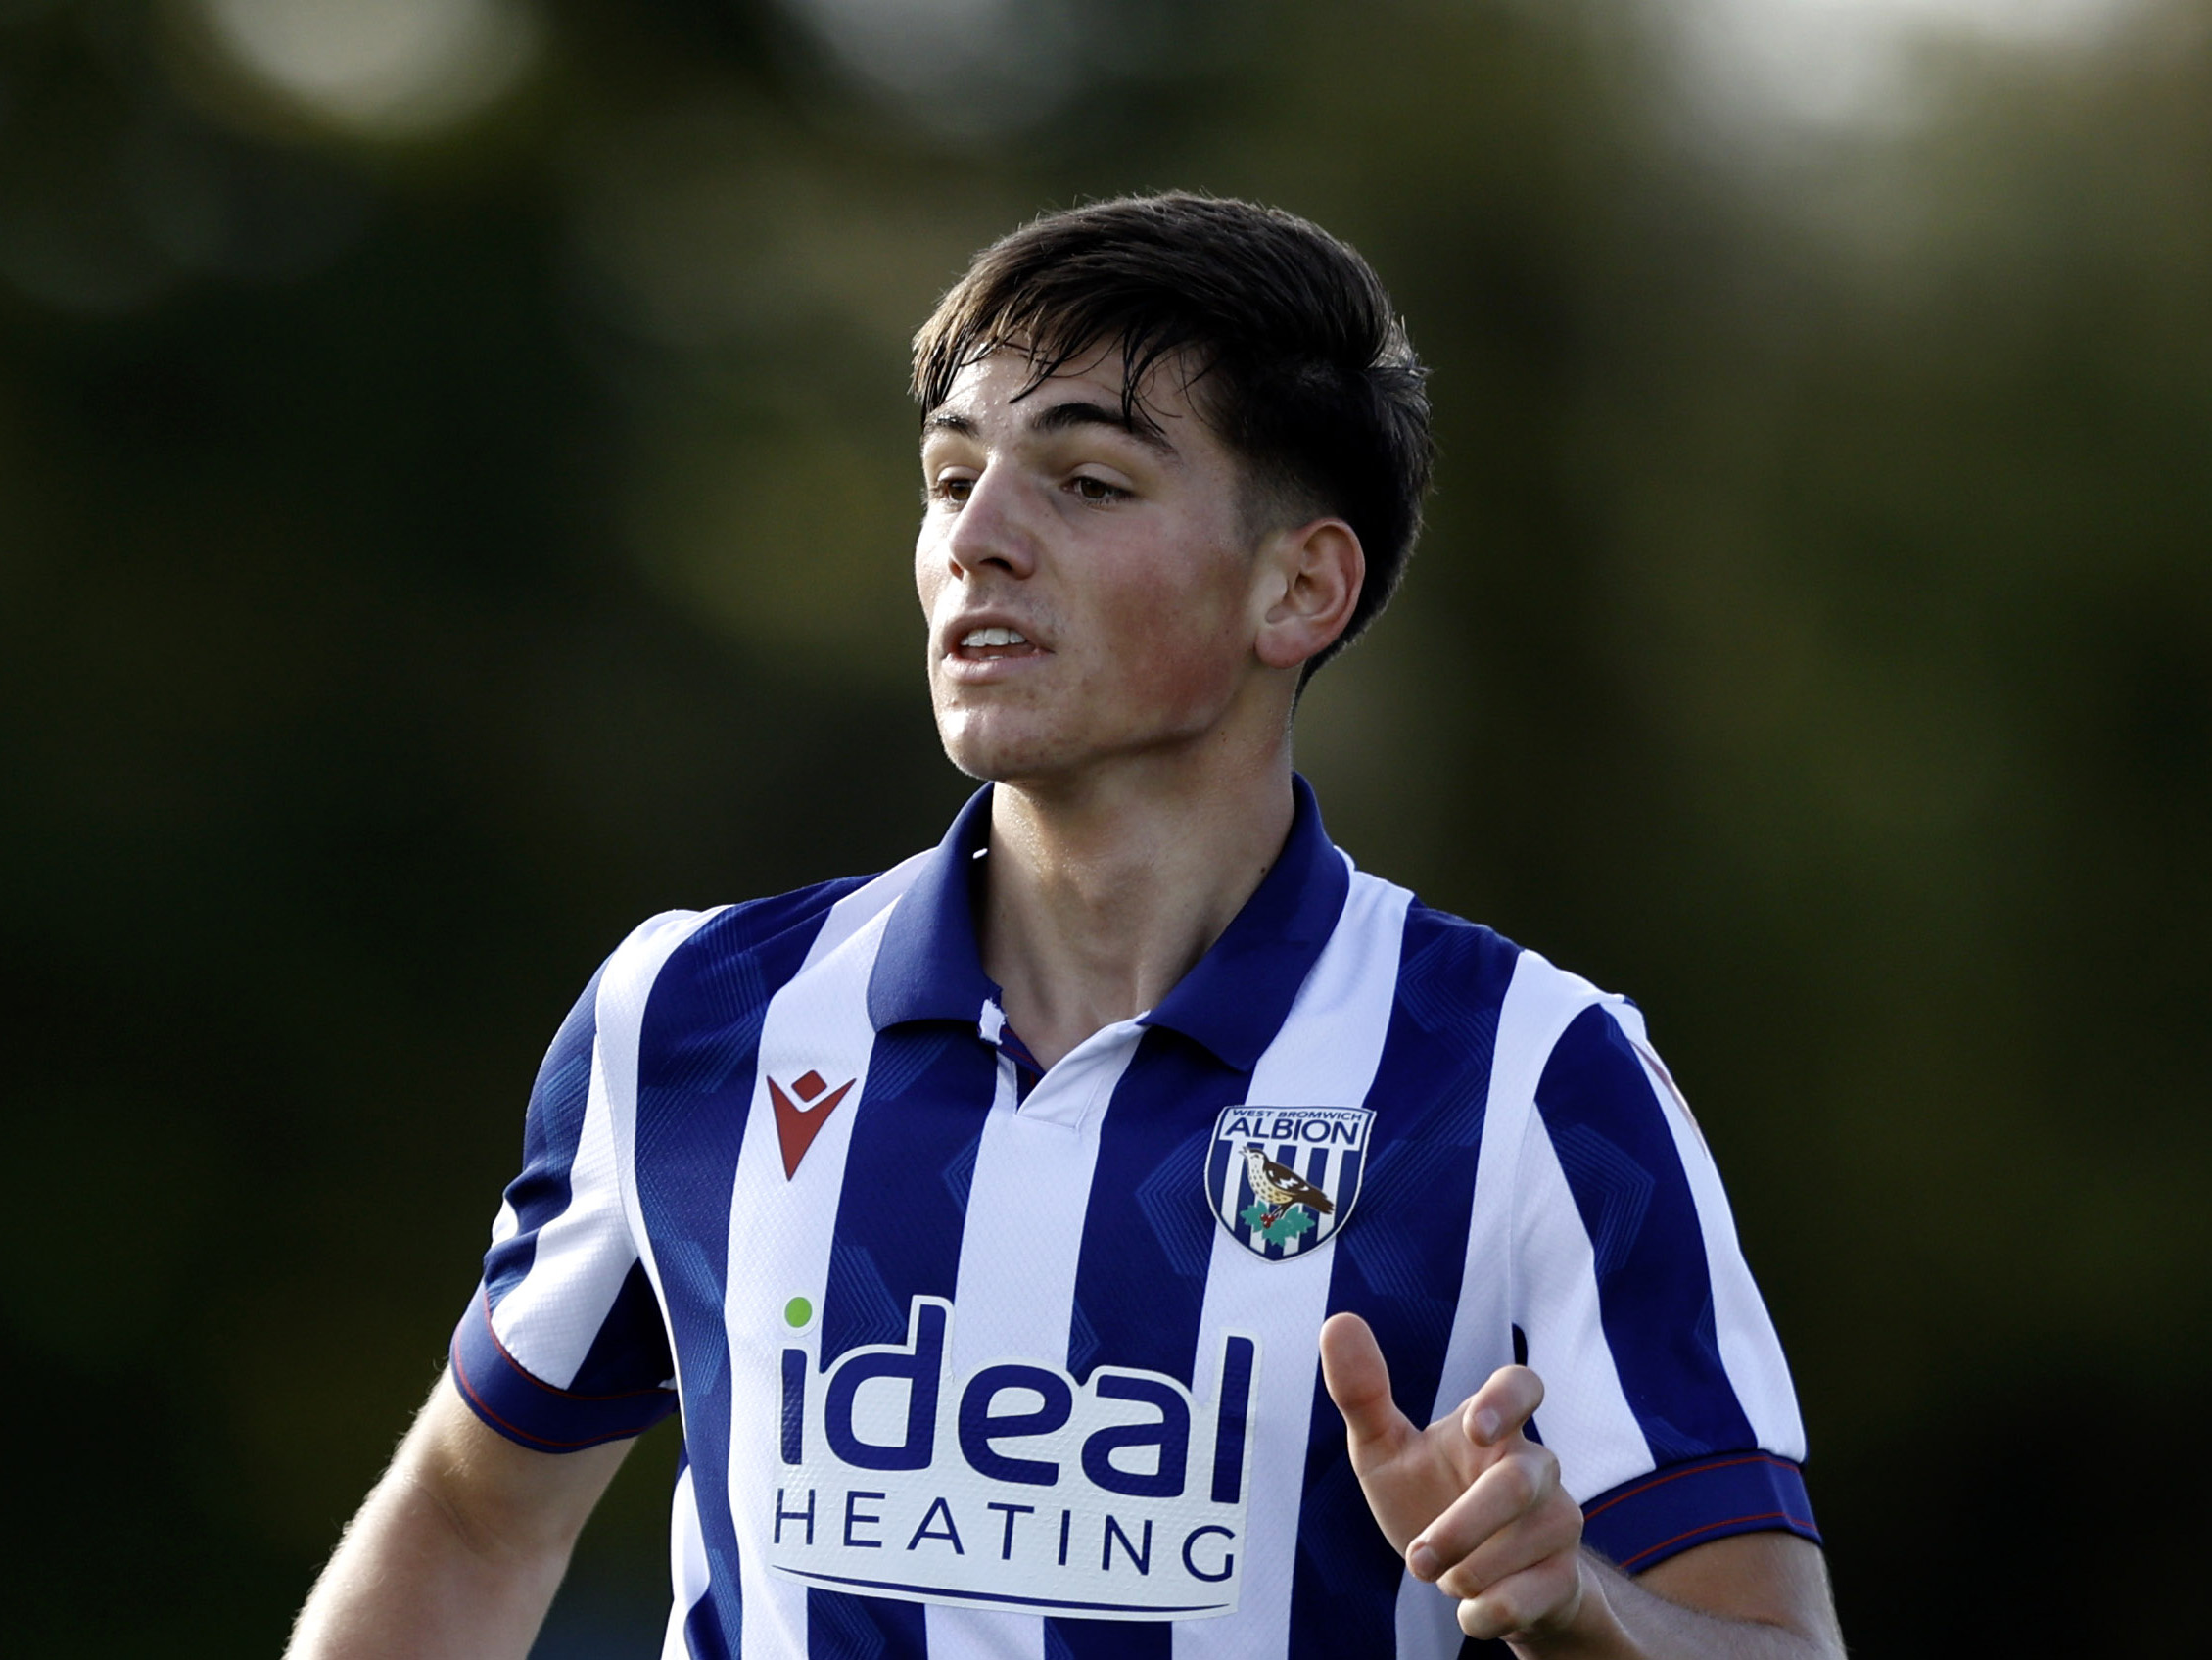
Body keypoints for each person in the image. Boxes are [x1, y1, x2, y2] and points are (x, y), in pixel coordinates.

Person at [288, 194, 1846, 1660]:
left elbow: (1777, 1641)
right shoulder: (697, 1015)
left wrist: (1575, 1600)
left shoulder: (1524, 1075)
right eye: (953, 476)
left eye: (1086, 482)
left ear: (1300, 591)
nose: (977, 537)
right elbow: (472, 1519)